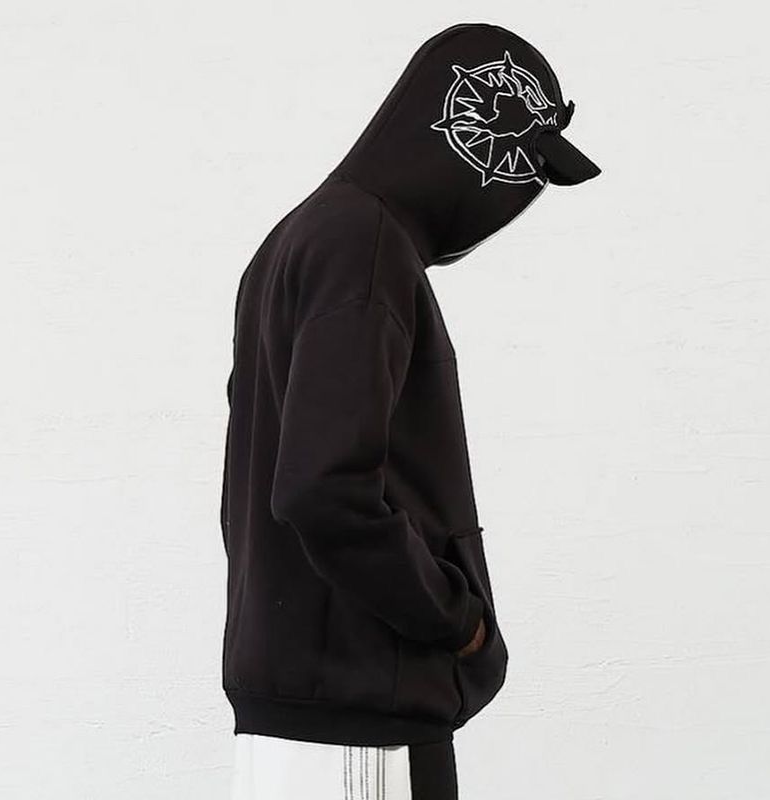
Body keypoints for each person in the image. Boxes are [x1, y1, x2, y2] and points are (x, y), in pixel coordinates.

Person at [220, 21, 601, 799]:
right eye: (526, 163)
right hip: (361, 722)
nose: (521, 192)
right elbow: (323, 490)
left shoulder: (302, 239)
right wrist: (458, 622)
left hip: (316, 713)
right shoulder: (361, 243)